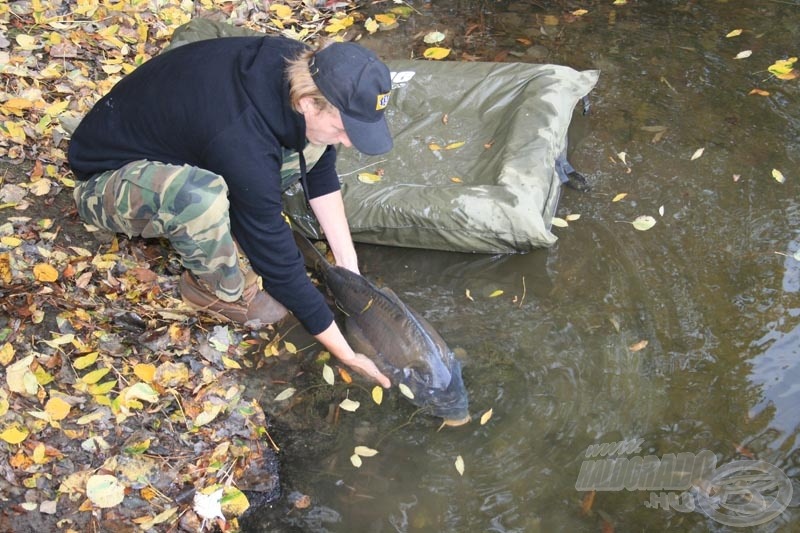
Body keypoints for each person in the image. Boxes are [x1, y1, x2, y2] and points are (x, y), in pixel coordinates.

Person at [67, 34, 392, 388]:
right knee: (200, 199)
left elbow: (320, 166)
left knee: (315, 145)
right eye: (344, 129)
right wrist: (346, 353)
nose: (347, 141)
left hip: (190, 138)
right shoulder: (241, 138)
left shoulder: (303, 69)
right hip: (106, 178)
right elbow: (276, 260)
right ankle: (212, 290)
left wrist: (348, 264)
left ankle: (246, 193)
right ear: (308, 104)